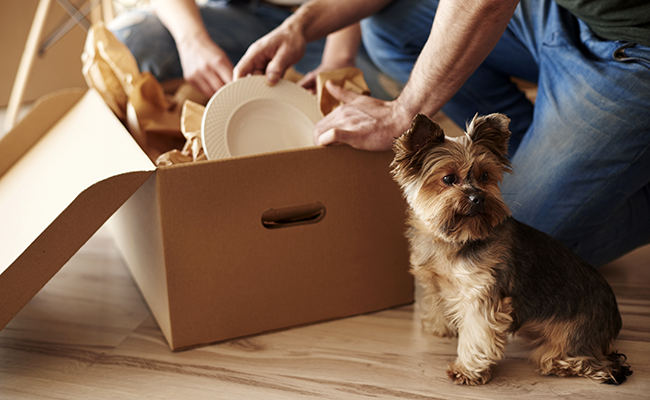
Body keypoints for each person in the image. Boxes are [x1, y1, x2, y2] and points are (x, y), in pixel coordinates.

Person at [233, 0, 650, 267]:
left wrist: (402, 113)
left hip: (638, 49)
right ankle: (527, 161)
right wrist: (300, 25)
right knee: (390, 26)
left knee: (500, 249)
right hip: (564, 11)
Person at [107, 0, 395, 100]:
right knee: (127, 41)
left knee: (371, 103)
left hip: (334, 22)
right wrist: (192, 42)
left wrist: (337, 60)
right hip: (240, 17)